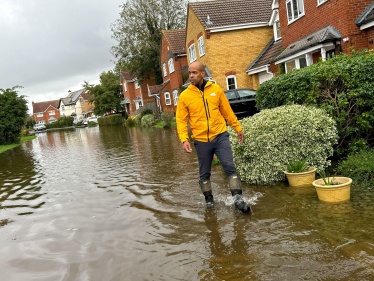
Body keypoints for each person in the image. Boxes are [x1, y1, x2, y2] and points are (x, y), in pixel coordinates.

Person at [176, 62, 251, 213]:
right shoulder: (185, 96)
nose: (191, 76)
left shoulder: (216, 90)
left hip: (220, 135)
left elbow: (227, 112)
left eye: (194, 73)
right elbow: (181, 120)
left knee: (229, 166)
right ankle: (209, 201)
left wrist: (238, 128)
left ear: (202, 73)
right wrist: (184, 139)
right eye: (190, 73)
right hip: (201, 140)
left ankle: (238, 200)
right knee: (204, 173)